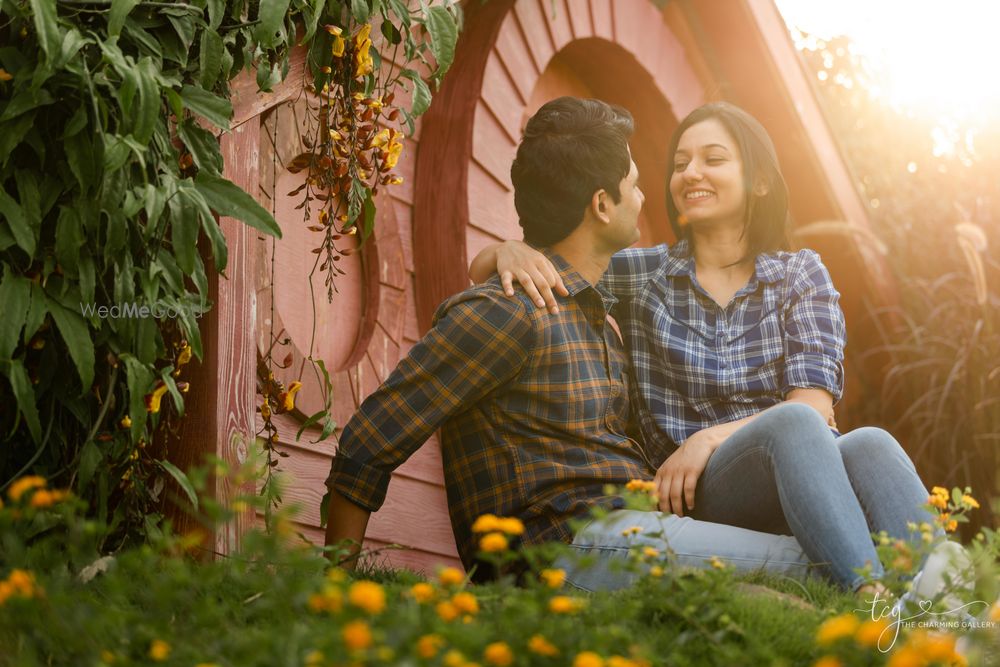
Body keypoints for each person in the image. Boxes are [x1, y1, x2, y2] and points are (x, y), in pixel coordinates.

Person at [325, 97, 814, 589]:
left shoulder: (592, 308)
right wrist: (335, 588)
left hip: (629, 527)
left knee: (799, 559)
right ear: (602, 205)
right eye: (635, 185)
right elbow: (368, 443)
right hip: (562, 545)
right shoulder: (508, 312)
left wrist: (502, 249)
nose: (645, 198)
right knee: (807, 564)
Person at [469, 101, 936, 593]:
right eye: (680, 163)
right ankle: (870, 600)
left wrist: (707, 439)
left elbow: (815, 407)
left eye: (713, 159)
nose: (691, 173)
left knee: (870, 444)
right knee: (794, 423)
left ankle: (952, 612)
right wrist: (506, 250)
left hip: (801, 479)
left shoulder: (800, 275)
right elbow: (508, 273)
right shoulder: (643, 273)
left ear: (758, 181)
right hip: (695, 496)